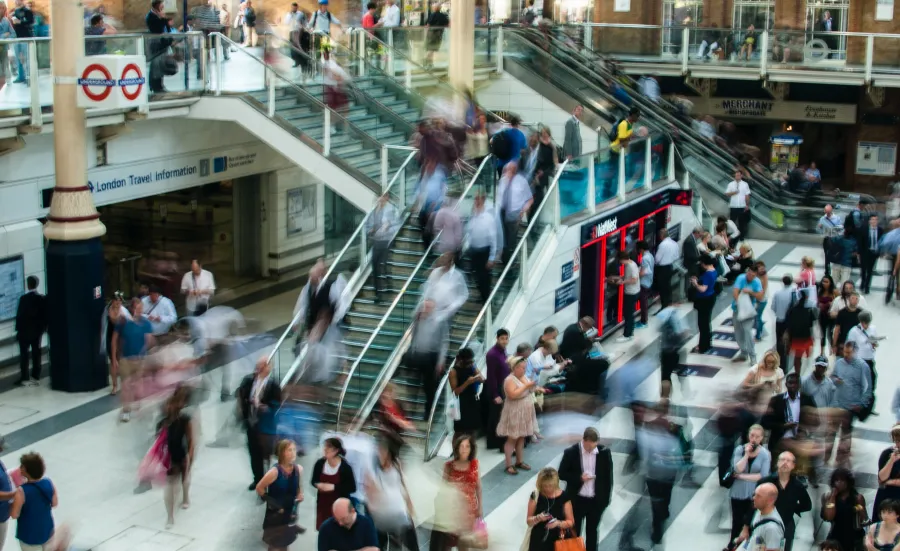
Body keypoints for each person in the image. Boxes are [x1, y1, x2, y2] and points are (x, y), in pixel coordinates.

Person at [558, 427, 612, 551]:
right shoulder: (571, 452)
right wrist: (579, 478)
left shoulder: (604, 453)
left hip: (595, 501)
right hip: (577, 500)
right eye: (588, 447)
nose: (591, 449)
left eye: (594, 446)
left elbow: (608, 478)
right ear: (584, 440)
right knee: (573, 532)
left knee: (592, 532)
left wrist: (605, 501)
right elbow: (561, 473)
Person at [744, 452, 812, 551]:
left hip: (786, 524)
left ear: (793, 465)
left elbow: (807, 505)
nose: (785, 463)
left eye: (788, 461)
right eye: (782, 460)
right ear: (777, 462)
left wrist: (792, 508)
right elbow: (753, 504)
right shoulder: (765, 482)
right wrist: (745, 528)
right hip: (764, 523)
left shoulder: (797, 486)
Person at [238, 357, 283, 490]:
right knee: (254, 453)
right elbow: (241, 395)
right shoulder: (249, 381)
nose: (260, 368)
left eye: (263, 366)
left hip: (265, 427)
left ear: (269, 367)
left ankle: (267, 481)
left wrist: (265, 407)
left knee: (266, 455)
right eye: (259, 365)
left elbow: (277, 404)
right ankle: (257, 478)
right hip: (251, 423)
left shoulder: (273, 385)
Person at [365, 436, 417, 551]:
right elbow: (370, 491)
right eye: (379, 451)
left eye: (382, 451)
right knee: (379, 543)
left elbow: (403, 486)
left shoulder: (397, 465)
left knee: (410, 542)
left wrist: (409, 505)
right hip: (382, 514)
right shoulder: (374, 469)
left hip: (398, 511)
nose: (380, 454)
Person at [112, 298, 155, 422]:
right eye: (138, 308)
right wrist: (114, 358)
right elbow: (114, 340)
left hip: (140, 360)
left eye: (141, 308)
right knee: (125, 386)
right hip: (126, 359)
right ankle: (126, 410)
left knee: (138, 386)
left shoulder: (146, 323)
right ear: (132, 309)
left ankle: (137, 401)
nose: (140, 311)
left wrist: (149, 349)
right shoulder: (123, 322)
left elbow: (149, 340)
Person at [831, 341, 873, 468]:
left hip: (850, 406)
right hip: (837, 403)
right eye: (844, 351)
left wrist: (861, 403)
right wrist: (835, 379)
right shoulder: (839, 363)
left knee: (845, 432)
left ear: (855, 351)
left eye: (848, 352)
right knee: (831, 431)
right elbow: (832, 376)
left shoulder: (862, 366)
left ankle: (842, 458)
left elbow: (868, 388)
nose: (845, 354)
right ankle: (827, 455)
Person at [257, 440, 305, 550]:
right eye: (289, 450)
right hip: (275, 517)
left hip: (289, 515)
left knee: (285, 544)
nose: (293, 453)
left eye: (294, 449)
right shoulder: (274, 472)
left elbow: (299, 488)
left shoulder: (299, 469)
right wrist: (273, 503)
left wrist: (300, 495)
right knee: (274, 545)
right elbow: (259, 488)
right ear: (282, 453)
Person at [728, 424, 772, 544]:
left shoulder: (765, 454)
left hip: (754, 494)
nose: (754, 439)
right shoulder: (740, 450)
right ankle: (733, 545)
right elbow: (737, 468)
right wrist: (746, 455)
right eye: (752, 435)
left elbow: (762, 476)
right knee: (736, 523)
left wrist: (741, 476)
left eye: (757, 437)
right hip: (738, 492)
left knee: (750, 523)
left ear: (761, 438)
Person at [160, 386, 195, 529]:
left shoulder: (185, 419)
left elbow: (191, 440)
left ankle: (186, 496)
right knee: (169, 486)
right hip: (170, 456)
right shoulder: (164, 420)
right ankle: (170, 516)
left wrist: (190, 457)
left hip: (181, 453)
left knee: (184, 479)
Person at [441, 434, 483, 551]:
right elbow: (443, 490)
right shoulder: (449, 466)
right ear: (457, 448)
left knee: (464, 543)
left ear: (471, 449)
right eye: (462, 446)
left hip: (469, 512)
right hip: (452, 511)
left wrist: (480, 507)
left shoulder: (475, 464)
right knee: (448, 543)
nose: (464, 449)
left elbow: (478, 487)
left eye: (467, 446)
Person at [498, 356, 538, 475]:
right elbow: (512, 395)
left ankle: (519, 461)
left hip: (524, 410)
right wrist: (526, 386)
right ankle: (508, 464)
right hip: (514, 411)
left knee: (521, 437)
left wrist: (533, 386)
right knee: (512, 438)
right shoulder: (509, 380)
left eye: (525, 368)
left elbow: (530, 389)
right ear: (514, 368)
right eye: (522, 368)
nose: (524, 370)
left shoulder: (523, 377)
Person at [10, 452, 57, 551]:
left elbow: (14, 514)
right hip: (47, 530)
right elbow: (54, 503)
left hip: (29, 535)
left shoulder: (21, 491)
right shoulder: (48, 482)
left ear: (25, 470)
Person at [762, 374, 815, 456]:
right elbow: (765, 422)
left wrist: (804, 430)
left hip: (800, 443)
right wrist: (783, 426)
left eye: (796, 383)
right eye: (790, 383)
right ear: (786, 384)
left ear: (800, 385)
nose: (793, 385)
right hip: (780, 442)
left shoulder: (807, 400)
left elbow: (815, 420)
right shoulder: (776, 400)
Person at [312, 438, 357, 531]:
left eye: (329, 447)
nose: (325, 449)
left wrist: (334, 487)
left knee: (338, 530)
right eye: (325, 447)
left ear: (336, 450)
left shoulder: (345, 468)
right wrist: (318, 485)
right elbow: (313, 481)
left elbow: (352, 487)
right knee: (324, 530)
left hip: (340, 506)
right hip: (323, 504)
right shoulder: (320, 464)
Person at [525, 468, 575, 551]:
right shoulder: (536, 495)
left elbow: (570, 522)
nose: (548, 489)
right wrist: (537, 518)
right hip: (538, 540)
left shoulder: (564, 497)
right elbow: (528, 521)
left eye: (550, 486)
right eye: (545, 486)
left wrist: (558, 523)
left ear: (555, 484)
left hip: (558, 539)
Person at [466, 191, 500, 304]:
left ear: (483, 200)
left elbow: (493, 238)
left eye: (477, 199)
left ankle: (486, 299)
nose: (475, 201)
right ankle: (482, 296)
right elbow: (469, 232)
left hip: (484, 251)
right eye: (475, 199)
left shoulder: (488, 218)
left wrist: (491, 258)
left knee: (484, 277)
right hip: (474, 250)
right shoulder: (473, 216)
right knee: (477, 276)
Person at [822, 468, 868, 551]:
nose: (839, 483)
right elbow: (829, 517)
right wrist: (832, 496)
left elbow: (864, 519)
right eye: (836, 480)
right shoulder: (828, 497)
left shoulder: (857, 498)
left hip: (854, 537)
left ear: (848, 482)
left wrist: (859, 508)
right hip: (836, 536)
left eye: (842, 480)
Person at [498, 161, 533, 265]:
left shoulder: (522, 181)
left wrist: (523, 211)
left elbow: (530, 199)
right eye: (507, 169)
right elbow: (499, 196)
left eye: (510, 170)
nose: (508, 172)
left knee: (511, 240)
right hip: (502, 212)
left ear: (515, 170)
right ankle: (505, 259)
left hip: (514, 214)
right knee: (503, 238)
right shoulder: (503, 180)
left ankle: (509, 262)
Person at [14, 275, 47, 387]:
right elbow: (44, 316)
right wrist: (42, 329)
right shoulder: (41, 299)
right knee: (36, 353)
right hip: (37, 332)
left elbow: (20, 316)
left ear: (28, 285)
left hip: (24, 333)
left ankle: (25, 377)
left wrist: (18, 330)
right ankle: (35, 376)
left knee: (24, 355)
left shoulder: (23, 299)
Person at [733, 483, 785, 551]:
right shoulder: (759, 511)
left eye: (758, 496)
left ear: (770, 501)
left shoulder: (772, 528)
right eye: (754, 494)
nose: (753, 498)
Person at [732, 264, 765, 365]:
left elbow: (760, 296)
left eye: (753, 275)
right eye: (749, 274)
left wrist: (750, 292)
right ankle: (743, 352)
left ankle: (752, 355)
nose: (751, 277)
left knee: (747, 332)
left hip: (749, 311)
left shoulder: (757, 282)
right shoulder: (740, 278)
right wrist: (739, 303)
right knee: (738, 332)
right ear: (747, 272)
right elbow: (735, 292)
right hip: (738, 309)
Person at [484, 329, 510, 451]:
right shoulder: (492, 354)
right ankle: (495, 442)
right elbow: (492, 376)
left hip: (503, 387)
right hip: (496, 389)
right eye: (502, 338)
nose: (504, 341)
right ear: (497, 339)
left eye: (506, 338)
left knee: (499, 416)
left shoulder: (502, 351)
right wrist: (495, 394)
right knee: (496, 417)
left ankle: (497, 442)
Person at [449, 347, 483, 435]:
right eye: (468, 361)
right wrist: (467, 383)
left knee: (472, 429)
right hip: (461, 403)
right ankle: (456, 448)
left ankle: (469, 447)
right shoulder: (453, 371)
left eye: (471, 361)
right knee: (459, 431)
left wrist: (477, 376)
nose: (470, 363)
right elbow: (455, 392)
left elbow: (483, 379)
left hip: (472, 400)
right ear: (461, 360)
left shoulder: (472, 366)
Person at [784, 287, 816, 375]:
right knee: (808, 357)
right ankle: (805, 374)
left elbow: (788, 324)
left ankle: (797, 374)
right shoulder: (809, 310)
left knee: (797, 358)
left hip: (795, 338)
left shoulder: (792, 310)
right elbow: (812, 325)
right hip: (806, 337)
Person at [690, 254, 718, 353]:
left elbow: (702, 289)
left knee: (702, 324)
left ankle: (703, 346)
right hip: (710, 297)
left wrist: (695, 283)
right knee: (706, 323)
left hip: (704, 300)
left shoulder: (708, 274)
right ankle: (707, 343)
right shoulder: (714, 270)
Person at [771, 274, 796, 372]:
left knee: (780, 344)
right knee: (789, 342)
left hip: (780, 321)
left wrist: (779, 312)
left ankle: (782, 365)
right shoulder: (794, 292)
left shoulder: (777, 293)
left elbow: (773, 307)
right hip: (791, 321)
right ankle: (788, 360)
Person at [874, 426, 900, 516]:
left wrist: (889, 482)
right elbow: (881, 479)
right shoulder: (887, 453)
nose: (897, 445)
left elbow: (885, 481)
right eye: (896, 441)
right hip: (886, 496)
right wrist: (891, 461)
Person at [615, 250, 640, 343]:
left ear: (622, 259)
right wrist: (619, 278)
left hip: (631, 293)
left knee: (628, 315)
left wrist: (623, 282)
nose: (619, 263)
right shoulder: (631, 264)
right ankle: (629, 333)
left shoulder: (631, 266)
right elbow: (628, 277)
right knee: (629, 314)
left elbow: (634, 279)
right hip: (634, 292)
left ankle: (627, 335)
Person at [654, 228, 680, 312]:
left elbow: (657, 259)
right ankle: (669, 302)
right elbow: (676, 256)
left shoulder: (662, 245)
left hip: (662, 268)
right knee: (668, 285)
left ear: (662, 236)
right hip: (670, 267)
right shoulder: (674, 243)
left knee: (662, 287)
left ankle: (664, 305)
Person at [726, 171, 751, 244]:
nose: (737, 177)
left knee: (742, 223)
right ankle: (731, 236)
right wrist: (734, 192)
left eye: (739, 175)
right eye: (736, 175)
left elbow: (747, 195)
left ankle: (741, 237)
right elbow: (727, 193)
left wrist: (747, 205)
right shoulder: (731, 184)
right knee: (732, 222)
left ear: (741, 176)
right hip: (733, 206)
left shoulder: (745, 184)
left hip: (742, 206)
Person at [861, 214, 883, 295]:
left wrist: (880, 252)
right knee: (863, 270)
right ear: (869, 221)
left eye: (876, 220)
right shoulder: (864, 229)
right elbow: (861, 241)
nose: (874, 221)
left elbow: (881, 241)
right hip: (865, 252)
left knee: (870, 270)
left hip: (874, 253)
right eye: (872, 219)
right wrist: (859, 252)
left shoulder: (880, 230)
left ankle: (867, 286)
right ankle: (863, 282)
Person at [818, 275, 838, 357]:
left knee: (830, 333)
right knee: (822, 334)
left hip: (831, 316)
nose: (824, 283)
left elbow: (838, 301)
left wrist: (831, 304)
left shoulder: (834, 292)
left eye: (826, 282)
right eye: (823, 281)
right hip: (822, 315)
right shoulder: (820, 291)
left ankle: (832, 350)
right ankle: (822, 353)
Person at [424, 2, 448, 68]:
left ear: (434, 8)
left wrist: (426, 33)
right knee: (433, 49)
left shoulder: (432, 15)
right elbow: (448, 24)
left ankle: (427, 62)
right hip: (438, 34)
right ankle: (429, 62)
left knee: (430, 49)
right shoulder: (443, 16)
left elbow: (427, 25)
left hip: (431, 34)